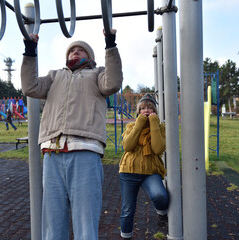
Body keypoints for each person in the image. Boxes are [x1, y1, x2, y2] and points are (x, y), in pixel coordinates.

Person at [20, 30, 123, 240]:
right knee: (52, 222)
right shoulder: (54, 76)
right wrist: (30, 51)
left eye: (80, 50)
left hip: (85, 149)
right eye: (71, 50)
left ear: (90, 57)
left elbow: (113, 83)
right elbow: (29, 87)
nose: (75, 52)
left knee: (85, 221)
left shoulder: (98, 75)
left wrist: (110, 44)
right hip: (53, 151)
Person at [119, 93, 169, 239]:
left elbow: (158, 149)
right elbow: (128, 146)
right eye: (142, 108)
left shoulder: (160, 128)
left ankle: (161, 215)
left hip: (150, 171)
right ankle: (126, 236)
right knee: (128, 209)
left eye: (150, 108)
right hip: (128, 171)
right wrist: (140, 123)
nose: (146, 110)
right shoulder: (131, 126)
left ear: (155, 111)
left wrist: (153, 122)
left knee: (160, 195)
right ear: (138, 112)